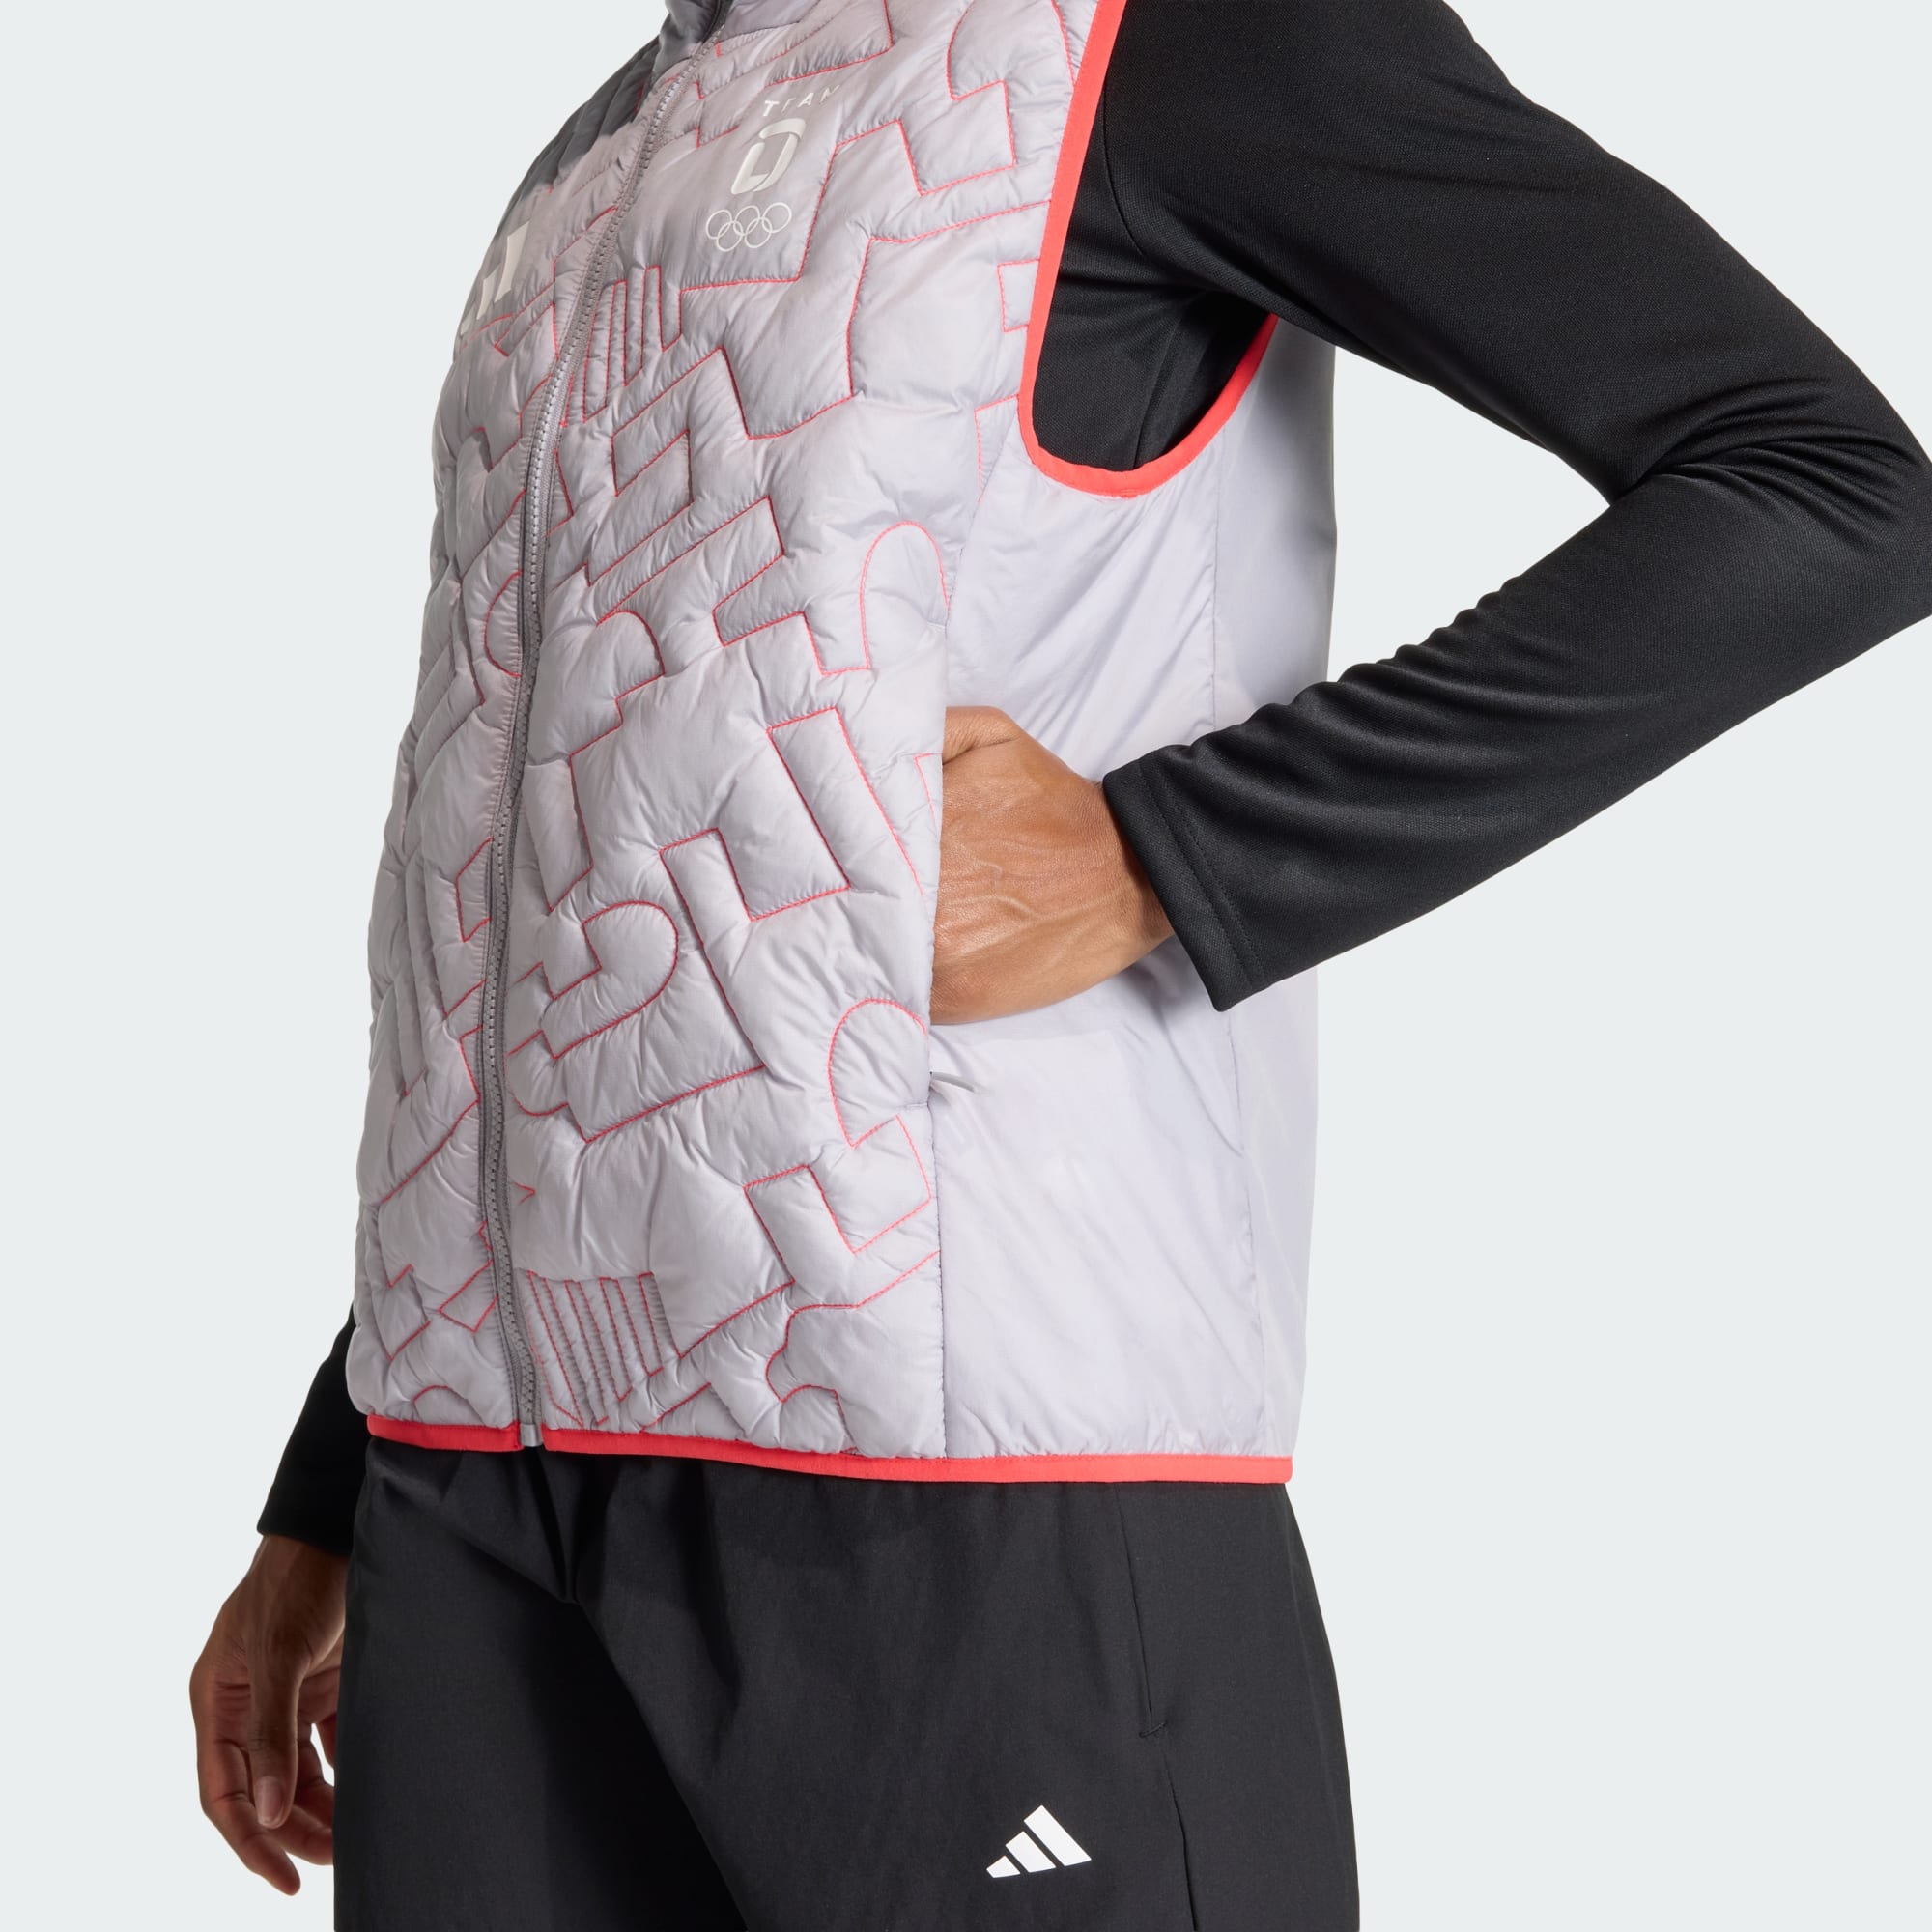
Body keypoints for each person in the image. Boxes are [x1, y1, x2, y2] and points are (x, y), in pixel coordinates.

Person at [189, 1, 1932, 1925]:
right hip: (475, 1521)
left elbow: (1825, 487)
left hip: (984, 1486)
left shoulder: (1181, 40)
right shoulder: (609, 141)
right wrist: (341, 1463)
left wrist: (1169, 850)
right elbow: (552, 881)